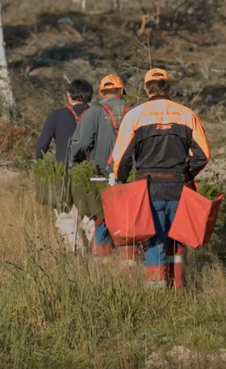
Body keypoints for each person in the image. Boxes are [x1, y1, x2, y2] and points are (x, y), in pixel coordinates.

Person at [111, 68, 211, 290]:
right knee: (177, 240)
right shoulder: (186, 114)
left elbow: (120, 159)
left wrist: (122, 179)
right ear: (168, 87)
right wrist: (186, 174)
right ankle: (178, 288)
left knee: (153, 239)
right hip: (178, 188)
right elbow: (204, 155)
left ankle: (156, 292)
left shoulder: (134, 116)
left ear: (147, 89)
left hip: (147, 189)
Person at [70, 74, 137, 263]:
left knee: (102, 218)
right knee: (129, 219)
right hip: (132, 175)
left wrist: (76, 161)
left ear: (101, 92)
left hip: (100, 175)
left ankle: (102, 264)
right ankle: (130, 262)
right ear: (123, 91)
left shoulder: (93, 113)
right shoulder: (136, 110)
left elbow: (81, 143)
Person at [35, 79, 93, 164]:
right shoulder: (98, 114)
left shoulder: (56, 115)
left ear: (69, 95)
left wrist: (39, 161)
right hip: (93, 169)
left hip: (64, 169)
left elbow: (42, 144)